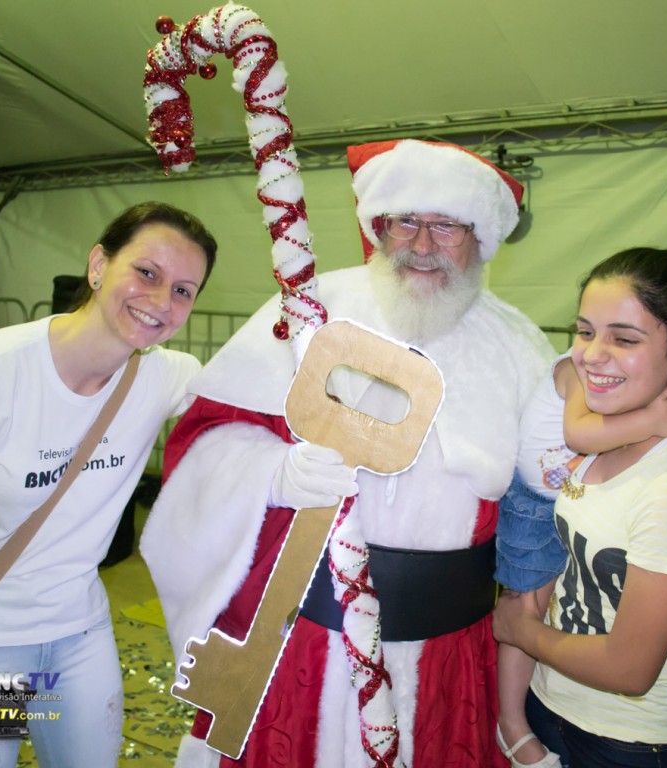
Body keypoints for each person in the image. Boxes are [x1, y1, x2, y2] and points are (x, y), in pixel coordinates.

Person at [141, 139, 556, 767]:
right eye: (405, 221)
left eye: (446, 226)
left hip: (450, 657)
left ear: (481, 239)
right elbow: (208, 434)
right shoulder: (311, 311)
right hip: (306, 639)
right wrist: (274, 475)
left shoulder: (519, 346)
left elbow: (547, 502)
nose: (421, 244)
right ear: (378, 227)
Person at [0, 201, 217, 768]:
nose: (162, 301)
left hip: (80, 641)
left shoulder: (167, 377)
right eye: (146, 272)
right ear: (98, 265)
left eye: (183, 290)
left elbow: (265, 402)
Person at [492, 247, 667, 768]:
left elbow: (630, 670)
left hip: (625, 742)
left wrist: (523, 631)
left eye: (624, 339)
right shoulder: (609, 432)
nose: (591, 355)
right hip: (550, 705)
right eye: (585, 331)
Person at [495, 350, 667, 767]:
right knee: (523, 613)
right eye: (590, 332)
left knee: (552, 612)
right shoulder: (575, 368)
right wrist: (653, 420)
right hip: (535, 507)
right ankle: (510, 723)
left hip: (573, 500)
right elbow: (581, 434)